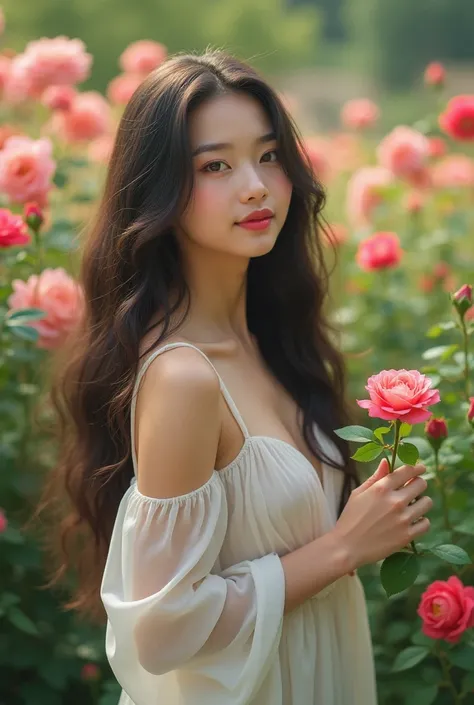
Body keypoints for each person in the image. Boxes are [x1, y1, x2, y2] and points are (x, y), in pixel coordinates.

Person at [41, 49, 433, 705]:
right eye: (215, 165)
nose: (254, 185)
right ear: (160, 189)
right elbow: (161, 630)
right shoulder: (184, 377)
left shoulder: (274, 341)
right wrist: (342, 548)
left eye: (270, 155)